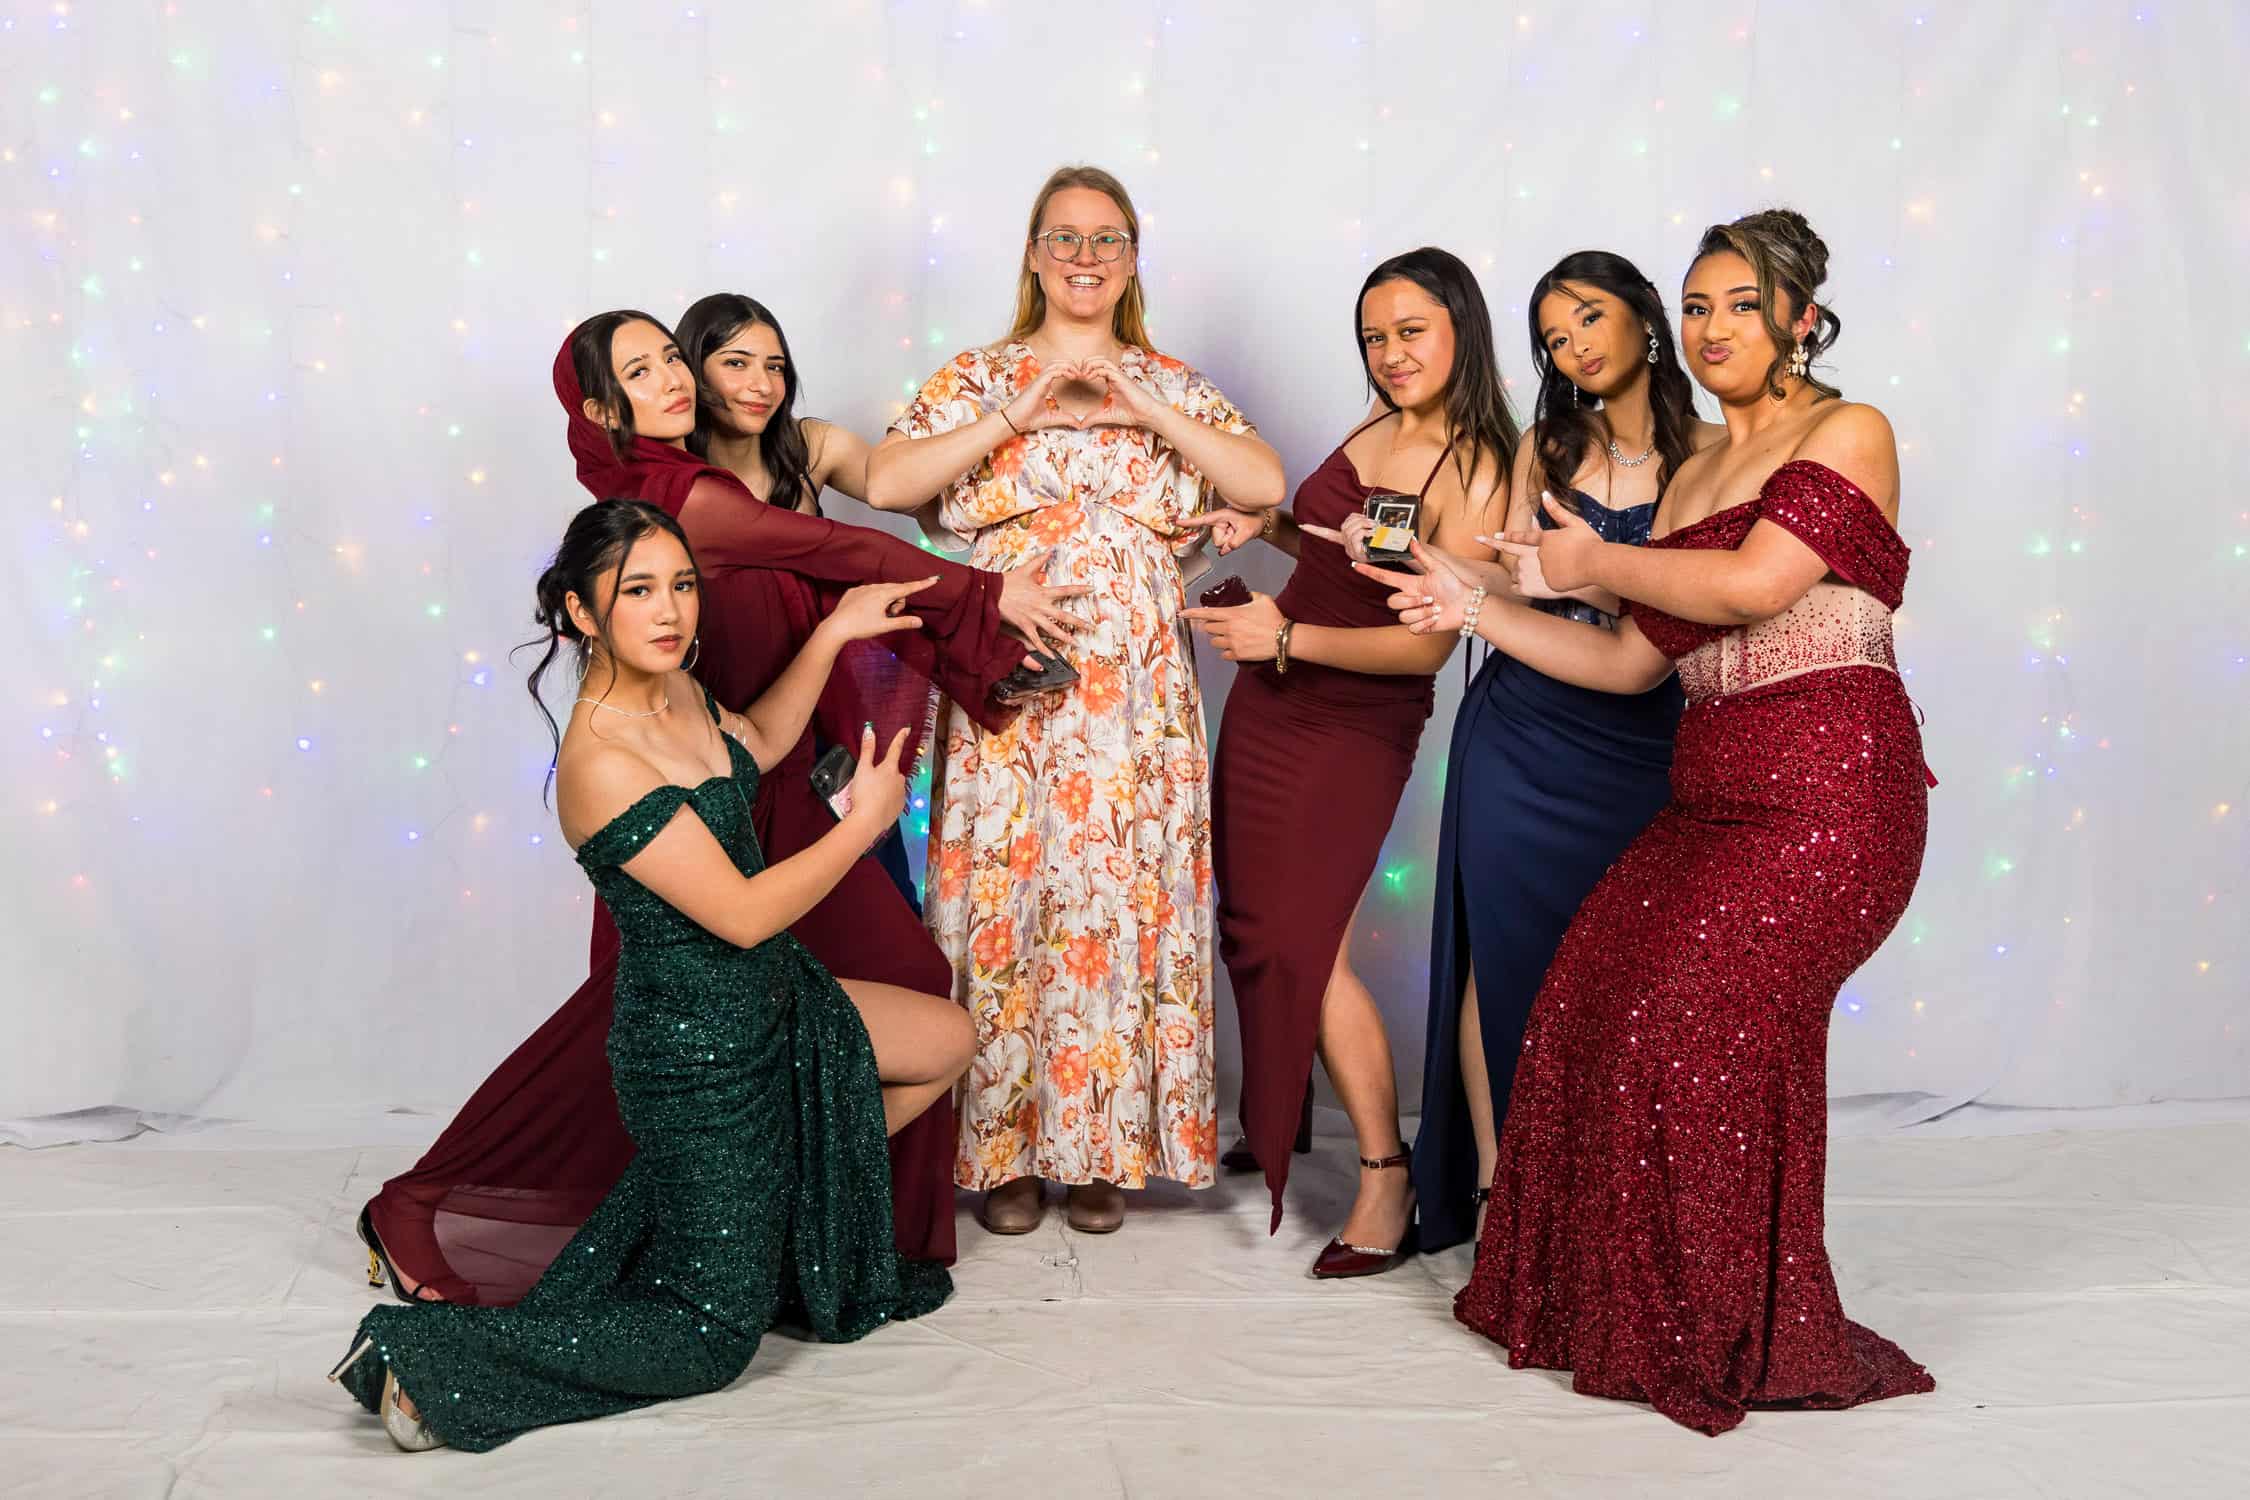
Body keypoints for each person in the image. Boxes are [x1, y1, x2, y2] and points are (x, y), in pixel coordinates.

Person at [355, 312, 1089, 1303]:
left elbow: (790, 661)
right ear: (604, 408)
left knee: (881, 994)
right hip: (714, 819)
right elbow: (840, 547)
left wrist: (840, 640)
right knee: (611, 1065)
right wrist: (983, 596)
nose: (674, 379)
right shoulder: (683, 500)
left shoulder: (686, 491)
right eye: (644, 370)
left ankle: (788, 1212)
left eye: (670, 358)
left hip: (756, 775)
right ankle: (479, 1207)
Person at [1360, 209, 1936, 1433]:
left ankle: (1723, 1318)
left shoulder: (1849, 429)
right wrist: (1472, 601)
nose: (1713, 327)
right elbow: (1629, 666)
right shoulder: (1690, 476)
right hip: (1709, 793)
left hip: (1828, 799)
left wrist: (1592, 564)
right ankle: (1612, 1292)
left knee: (1687, 1017)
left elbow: (1755, 586)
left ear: (1800, 318)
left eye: (1738, 304)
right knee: (1587, 994)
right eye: (1698, 305)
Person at [329, 501, 970, 1451]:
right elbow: (746, 913)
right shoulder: (602, 759)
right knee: (711, 1340)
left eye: (681, 586)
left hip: (773, 994)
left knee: (946, 1039)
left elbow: (755, 741)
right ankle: (430, 1370)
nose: (671, 612)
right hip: (696, 1054)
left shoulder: (675, 690)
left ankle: (767, 1214)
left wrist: (833, 632)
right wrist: (862, 827)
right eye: (638, 592)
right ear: (582, 615)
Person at [867, 165, 1285, 1234]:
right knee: (1009, 890)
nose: (1086, 259)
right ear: (1034, 255)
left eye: (1108, 240)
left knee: (1119, 890)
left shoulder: (1169, 382)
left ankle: (1105, 1143)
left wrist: (1139, 403)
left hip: (1134, 695)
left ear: (1134, 257)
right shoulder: (980, 374)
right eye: (1066, 239)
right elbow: (888, 484)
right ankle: (1002, 1149)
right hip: (1008, 678)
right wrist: (1021, 408)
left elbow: (1261, 485)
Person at [1179, 247, 1512, 1275]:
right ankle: (1281, 1115)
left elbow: (1423, 642)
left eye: (1412, 331)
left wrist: (1283, 641)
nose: (1392, 352)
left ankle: (1387, 1174)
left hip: (1352, 717)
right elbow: (1336, 546)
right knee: (1252, 922)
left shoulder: (1480, 465)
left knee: (1303, 939)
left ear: (1461, 326)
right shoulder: (1377, 421)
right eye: (1375, 335)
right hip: (1274, 697)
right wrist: (1263, 524)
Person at [1405, 250, 1719, 1253]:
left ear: (1645, 319)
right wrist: (1399, 556)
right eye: (1552, 336)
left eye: (1587, 318)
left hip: (1650, 744)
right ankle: (1506, 1204)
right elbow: (1500, 586)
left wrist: (1581, 578)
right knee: (1499, 966)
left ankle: (1615, 1201)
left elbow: (1691, 609)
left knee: (1632, 977)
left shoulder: (1712, 458)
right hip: (1522, 737)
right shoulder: (1543, 446)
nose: (1573, 346)